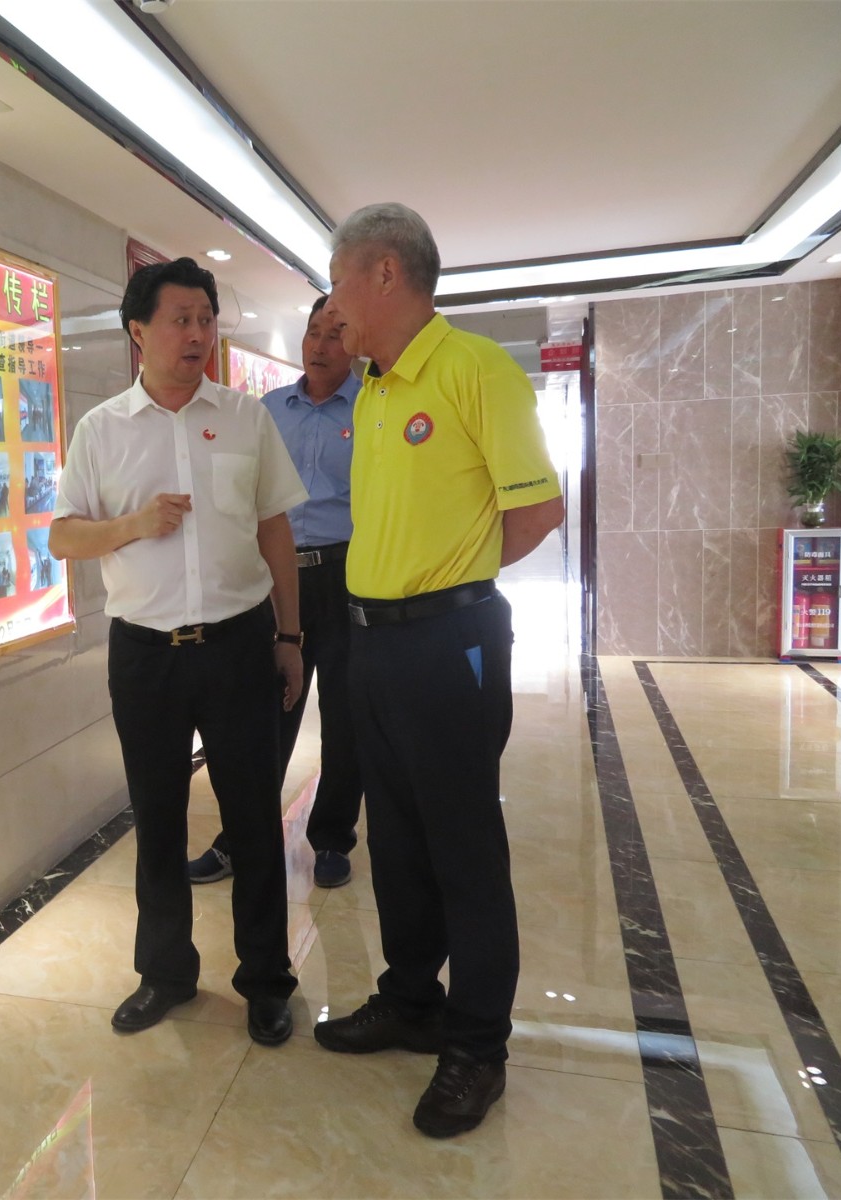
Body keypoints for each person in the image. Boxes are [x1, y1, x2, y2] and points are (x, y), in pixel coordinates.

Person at [311, 203, 563, 1138]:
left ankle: (477, 1047)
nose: (331, 306)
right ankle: (411, 1000)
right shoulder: (374, 388)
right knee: (396, 838)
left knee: (463, 847)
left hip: (447, 643)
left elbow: (536, 511)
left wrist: (452, 580)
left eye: (337, 281)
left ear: (384, 272)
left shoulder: (476, 369)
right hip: (372, 644)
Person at [49, 257, 306, 1048]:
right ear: (139, 332)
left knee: (254, 819)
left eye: (206, 319)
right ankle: (165, 973)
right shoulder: (101, 430)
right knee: (157, 816)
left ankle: (267, 980)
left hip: (237, 644)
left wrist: (289, 637)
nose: (197, 334)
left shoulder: (245, 418)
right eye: (180, 320)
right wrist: (132, 525)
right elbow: (63, 536)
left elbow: (275, 528)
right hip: (146, 656)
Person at [187, 295, 365, 891]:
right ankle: (241, 838)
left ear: (354, 343)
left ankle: (332, 837)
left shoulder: (372, 408)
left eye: (335, 334)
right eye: (313, 332)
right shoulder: (265, 411)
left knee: (345, 714)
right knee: (266, 714)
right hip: (277, 578)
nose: (319, 345)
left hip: (347, 576)